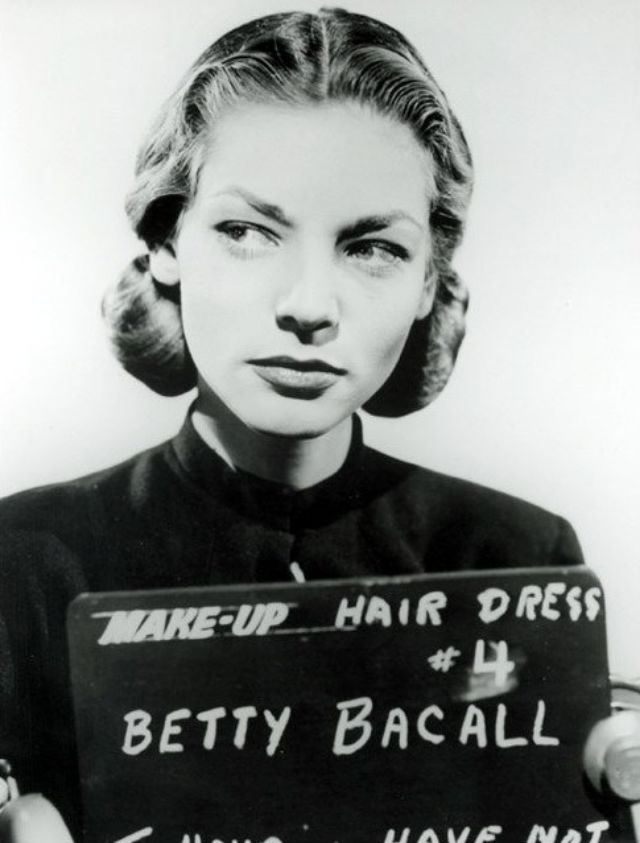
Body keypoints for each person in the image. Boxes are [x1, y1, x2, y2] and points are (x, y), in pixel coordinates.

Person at [0, 7, 583, 839]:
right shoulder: (22, 562)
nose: (309, 306)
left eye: (372, 247)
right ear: (167, 244)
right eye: (247, 231)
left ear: (429, 279)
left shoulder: (516, 557)